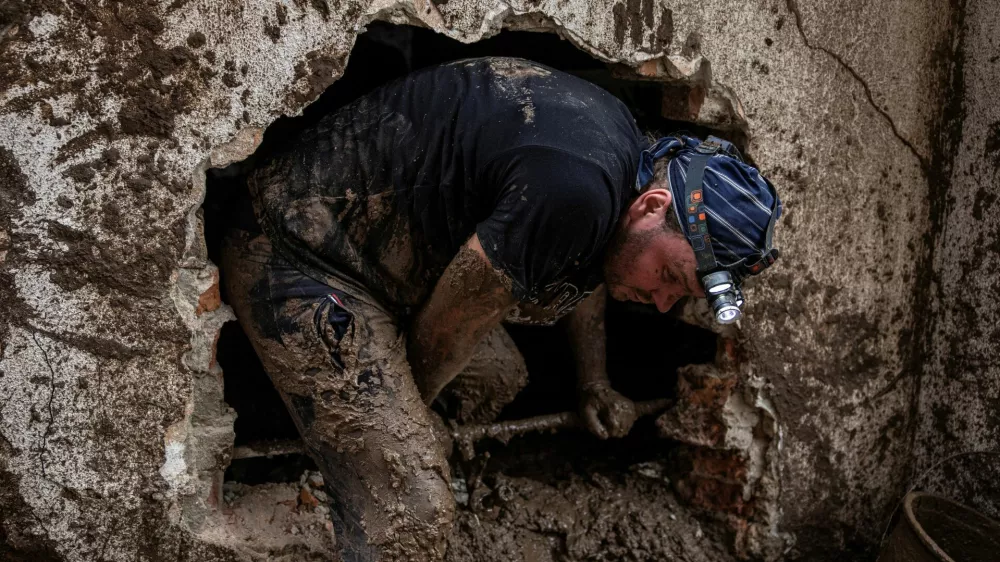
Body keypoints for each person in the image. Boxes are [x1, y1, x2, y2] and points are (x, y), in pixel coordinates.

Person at [220, 56, 781, 562]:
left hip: (393, 272)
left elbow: (581, 272)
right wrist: (417, 427)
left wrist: (594, 382)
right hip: (299, 254)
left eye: (679, 296)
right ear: (654, 207)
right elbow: (455, 319)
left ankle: (355, 468)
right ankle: (337, 490)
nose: (662, 303)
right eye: (669, 277)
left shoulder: (633, 170)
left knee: (497, 376)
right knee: (413, 509)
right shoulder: (576, 190)